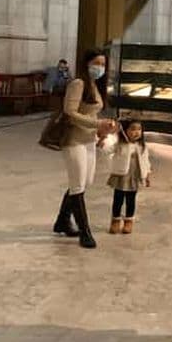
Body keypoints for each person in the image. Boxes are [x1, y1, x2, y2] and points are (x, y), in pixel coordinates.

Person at [52, 48, 117, 249]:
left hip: (88, 139)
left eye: (103, 64)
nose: (100, 68)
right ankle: (85, 232)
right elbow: (70, 112)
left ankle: (62, 220)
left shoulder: (95, 85)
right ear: (87, 63)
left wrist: (101, 130)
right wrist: (97, 124)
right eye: (97, 63)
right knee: (78, 185)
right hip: (73, 140)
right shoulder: (78, 83)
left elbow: (92, 114)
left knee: (84, 182)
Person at [100, 118, 152, 235]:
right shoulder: (120, 144)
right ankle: (115, 220)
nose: (136, 132)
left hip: (134, 176)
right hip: (121, 175)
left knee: (131, 200)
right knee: (118, 199)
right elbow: (107, 150)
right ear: (125, 131)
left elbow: (146, 161)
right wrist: (102, 142)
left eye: (139, 129)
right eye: (133, 129)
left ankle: (129, 221)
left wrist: (147, 174)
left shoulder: (142, 146)